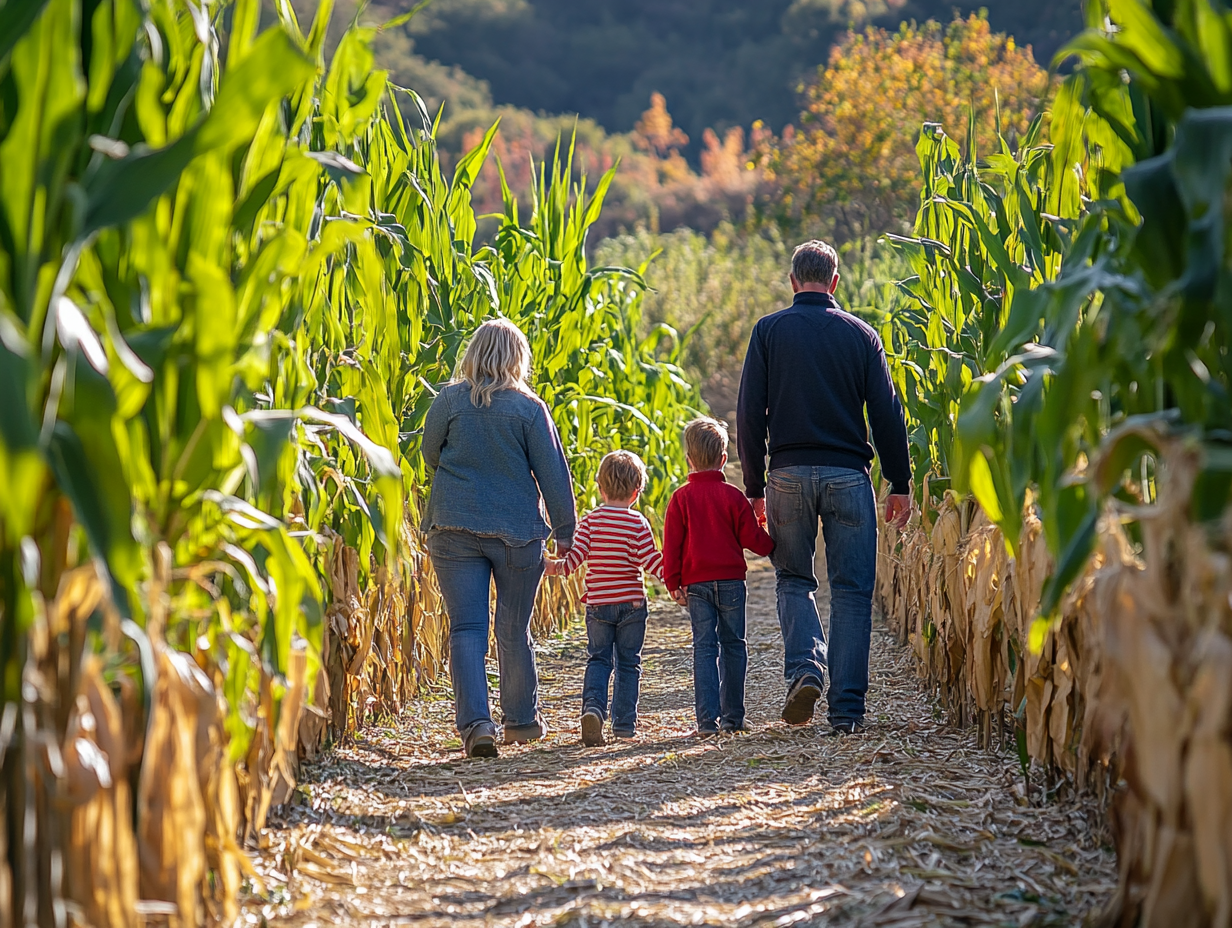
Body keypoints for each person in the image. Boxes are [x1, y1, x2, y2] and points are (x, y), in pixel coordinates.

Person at [736, 240, 911, 735]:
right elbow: (886, 412)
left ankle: (806, 668)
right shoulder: (861, 335)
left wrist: (753, 486)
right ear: (835, 282)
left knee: (794, 579)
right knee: (853, 592)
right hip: (848, 476)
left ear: (793, 281)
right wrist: (899, 480)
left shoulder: (768, 331)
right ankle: (847, 712)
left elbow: (749, 413)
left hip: (787, 475)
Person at [421, 318, 576, 758]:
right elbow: (553, 473)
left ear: (473, 353)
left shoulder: (448, 400)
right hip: (517, 533)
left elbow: (430, 453)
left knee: (467, 628)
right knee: (512, 627)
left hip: (453, 526)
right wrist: (565, 531)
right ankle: (521, 723)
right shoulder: (529, 409)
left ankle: (476, 726)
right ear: (517, 359)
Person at [662, 418, 774, 735]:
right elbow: (756, 542)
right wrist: (767, 531)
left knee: (705, 648)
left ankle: (706, 721)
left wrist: (673, 582)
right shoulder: (733, 497)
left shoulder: (680, 498)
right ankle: (733, 718)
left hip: (696, 585)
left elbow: (672, 544)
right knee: (734, 646)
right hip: (731, 584)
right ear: (723, 458)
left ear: (688, 458)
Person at [546, 451, 664, 746]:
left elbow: (573, 561)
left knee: (598, 660)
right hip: (632, 606)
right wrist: (676, 580)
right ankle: (624, 725)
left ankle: (593, 709)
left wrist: (552, 567)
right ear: (637, 491)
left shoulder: (590, 522)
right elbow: (652, 562)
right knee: (628, 663)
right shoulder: (638, 523)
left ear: (600, 487)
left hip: (598, 603)